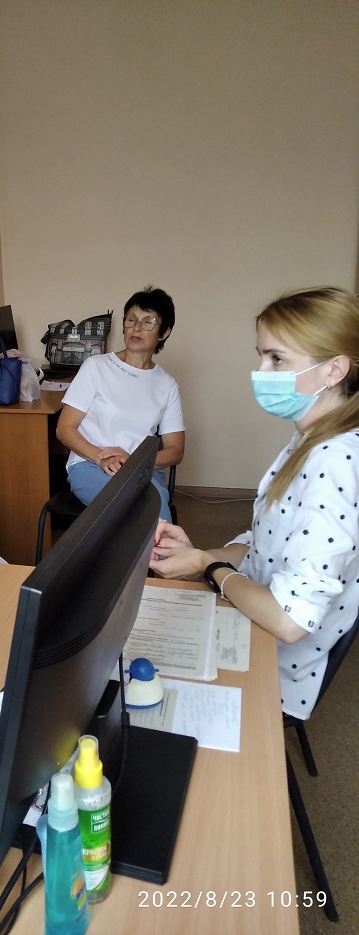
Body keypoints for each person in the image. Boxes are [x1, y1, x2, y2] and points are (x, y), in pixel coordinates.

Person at [151, 286, 359, 719]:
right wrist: (199, 554)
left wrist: (210, 568)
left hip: (273, 659)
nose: (261, 371)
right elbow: (268, 545)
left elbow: (289, 620)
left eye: (277, 359)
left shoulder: (334, 461)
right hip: (255, 615)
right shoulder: (311, 439)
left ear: (334, 370)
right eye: (261, 356)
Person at [56, 285, 184, 520]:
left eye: (148, 321)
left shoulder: (167, 385)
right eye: (131, 319)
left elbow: (176, 450)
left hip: (142, 470)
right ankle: (160, 543)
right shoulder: (96, 367)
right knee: (137, 504)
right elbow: (64, 429)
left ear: (164, 332)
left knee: (152, 502)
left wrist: (134, 461)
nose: (137, 327)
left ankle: (160, 544)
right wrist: (100, 457)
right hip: (91, 465)